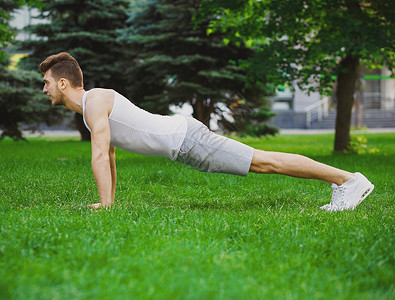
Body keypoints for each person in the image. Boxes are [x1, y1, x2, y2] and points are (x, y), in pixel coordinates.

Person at [40, 52, 374, 212]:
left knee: (264, 162)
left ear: (64, 82)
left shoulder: (95, 100)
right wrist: (108, 203)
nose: (44, 90)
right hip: (184, 141)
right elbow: (109, 156)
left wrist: (104, 204)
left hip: (188, 140)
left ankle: (348, 180)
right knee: (262, 162)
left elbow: (100, 154)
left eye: (47, 83)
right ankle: (344, 181)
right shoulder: (91, 109)